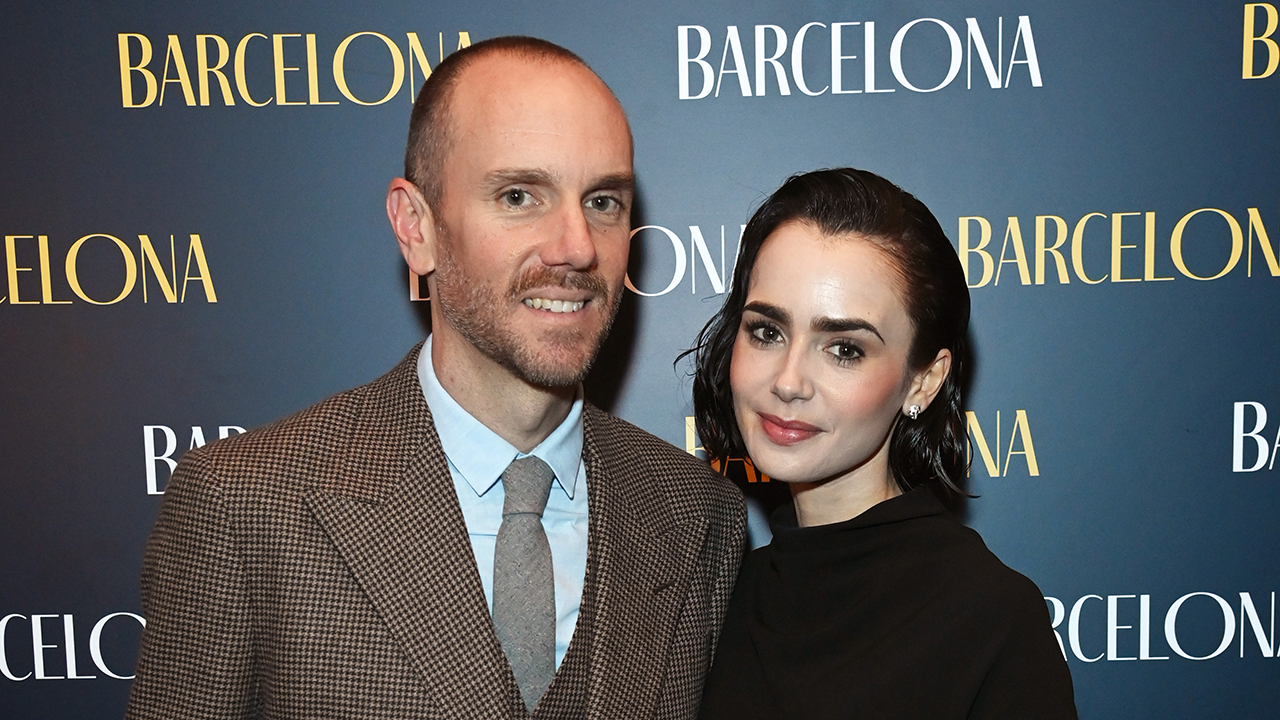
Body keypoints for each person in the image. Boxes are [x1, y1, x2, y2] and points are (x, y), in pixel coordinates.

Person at [125, 36, 745, 720]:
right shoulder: (244, 504)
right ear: (416, 227)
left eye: (602, 201)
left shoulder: (696, 515)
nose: (576, 246)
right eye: (519, 195)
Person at [689, 168, 1076, 719]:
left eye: (844, 349)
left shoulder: (989, 619)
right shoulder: (710, 597)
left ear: (924, 380)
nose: (788, 381)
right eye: (767, 332)